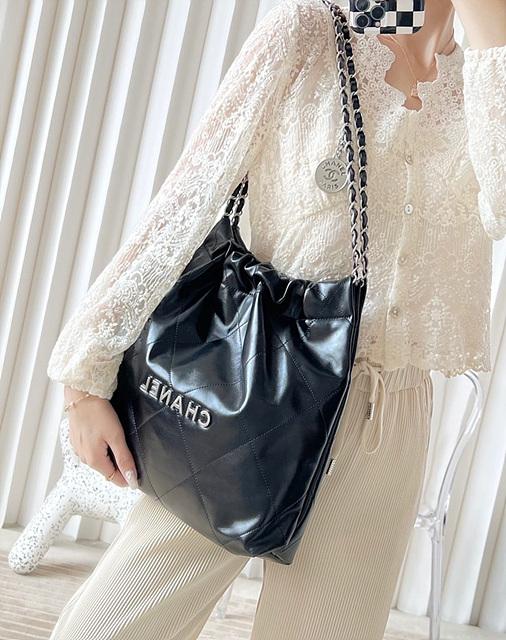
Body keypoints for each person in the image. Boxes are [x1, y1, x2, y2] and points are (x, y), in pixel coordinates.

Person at [46, 0, 506, 638]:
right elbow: (187, 201)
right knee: (115, 626)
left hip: (386, 417)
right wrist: (83, 378)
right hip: (246, 381)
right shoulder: (309, 30)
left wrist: (491, 31)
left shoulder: (484, 76)